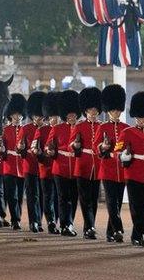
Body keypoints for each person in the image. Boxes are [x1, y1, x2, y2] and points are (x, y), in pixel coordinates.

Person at [117, 91, 144, 247]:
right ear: (136, 117)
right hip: (133, 173)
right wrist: (123, 156)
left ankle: (136, 235)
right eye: (141, 118)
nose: (143, 120)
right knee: (136, 207)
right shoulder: (126, 133)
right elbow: (117, 151)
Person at [45, 90, 80, 237]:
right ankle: (66, 224)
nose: (71, 116)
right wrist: (50, 151)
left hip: (77, 168)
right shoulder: (57, 128)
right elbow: (48, 145)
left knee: (74, 198)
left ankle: (69, 222)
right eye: (69, 114)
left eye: (74, 114)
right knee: (63, 198)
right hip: (60, 167)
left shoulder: (81, 127)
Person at [97, 84, 129, 243]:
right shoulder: (102, 127)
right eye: (113, 110)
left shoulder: (126, 128)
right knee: (111, 201)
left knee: (117, 202)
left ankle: (111, 232)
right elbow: (96, 147)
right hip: (108, 169)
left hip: (122, 170)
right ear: (108, 110)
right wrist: (102, 147)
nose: (116, 112)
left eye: (118, 110)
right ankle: (118, 228)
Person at [71, 87, 103, 240]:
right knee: (85, 199)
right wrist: (76, 146)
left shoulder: (101, 127)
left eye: (96, 110)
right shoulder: (79, 126)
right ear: (85, 111)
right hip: (82, 166)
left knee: (94, 198)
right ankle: (89, 226)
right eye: (91, 110)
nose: (94, 113)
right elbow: (72, 143)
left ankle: (90, 226)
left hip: (96, 167)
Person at [1, 93, 27, 230]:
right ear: (10, 115)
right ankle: (15, 219)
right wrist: (1, 149)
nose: (17, 117)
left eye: (20, 115)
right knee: (11, 194)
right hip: (9, 165)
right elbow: (0, 149)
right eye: (15, 115)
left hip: (22, 165)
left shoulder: (25, 129)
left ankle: (17, 217)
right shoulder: (5, 130)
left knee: (20, 195)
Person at [22, 91, 47, 233]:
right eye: (36, 116)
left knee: (43, 196)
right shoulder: (26, 129)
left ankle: (40, 220)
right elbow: (20, 148)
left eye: (41, 116)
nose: (38, 118)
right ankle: (33, 221)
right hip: (29, 166)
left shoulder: (47, 129)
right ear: (32, 115)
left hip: (44, 167)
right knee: (33, 195)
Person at [37, 93, 60, 234]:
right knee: (48, 196)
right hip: (45, 168)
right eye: (51, 117)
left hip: (60, 170)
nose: (53, 120)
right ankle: (50, 221)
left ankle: (56, 220)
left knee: (59, 198)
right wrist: (41, 152)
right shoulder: (42, 130)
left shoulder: (64, 129)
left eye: (55, 117)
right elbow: (36, 149)